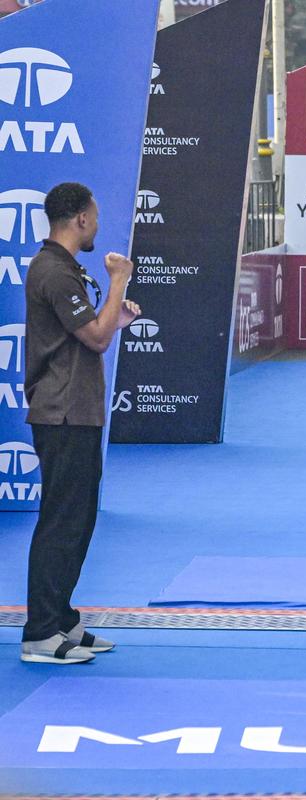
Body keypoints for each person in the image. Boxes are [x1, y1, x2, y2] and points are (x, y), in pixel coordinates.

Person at [20, 182, 141, 665]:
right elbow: (94, 338)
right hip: (62, 412)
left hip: (78, 410)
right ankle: (40, 633)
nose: (97, 223)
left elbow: (95, 331)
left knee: (79, 518)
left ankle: (62, 618)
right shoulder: (53, 271)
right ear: (80, 220)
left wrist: (116, 315)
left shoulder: (66, 268)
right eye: (94, 215)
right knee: (61, 521)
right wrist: (119, 283)